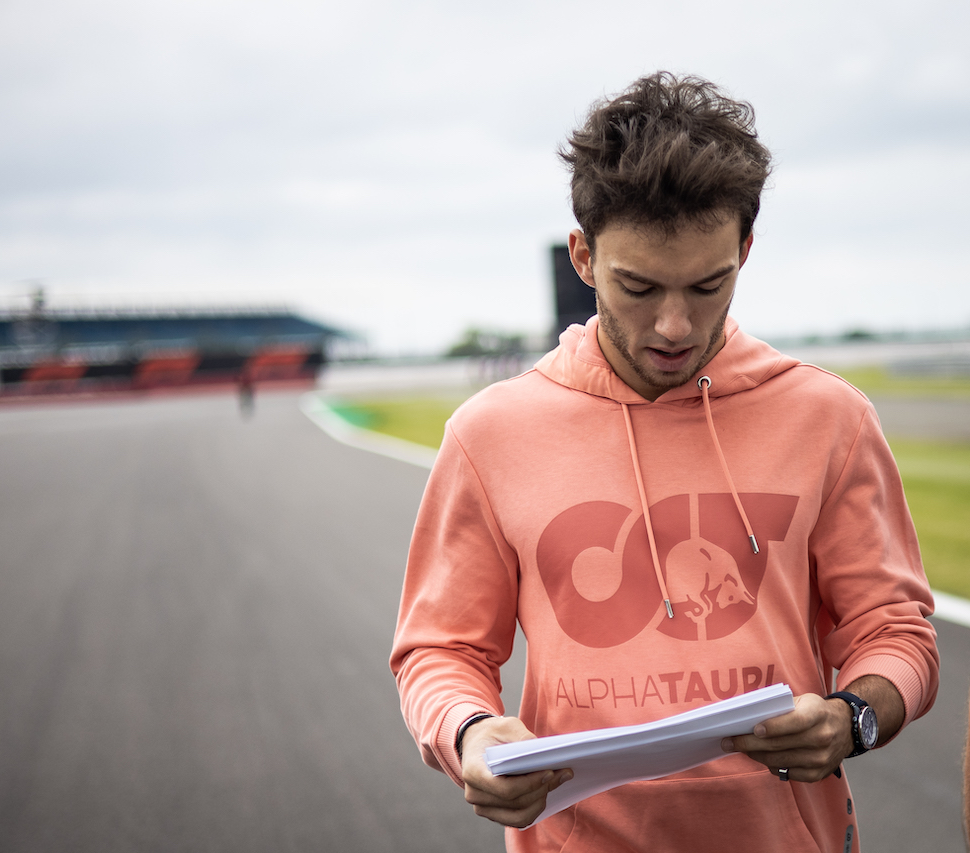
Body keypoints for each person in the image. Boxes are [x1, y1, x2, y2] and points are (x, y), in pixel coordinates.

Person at [390, 72, 939, 852]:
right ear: (583, 256)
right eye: (639, 286)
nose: (675, 325)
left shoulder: (830, 417)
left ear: (745, 249)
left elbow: (896, 629)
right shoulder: (490, 432)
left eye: (709, 284)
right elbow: (441, 648)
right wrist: (468, 733)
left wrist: (854, 717)